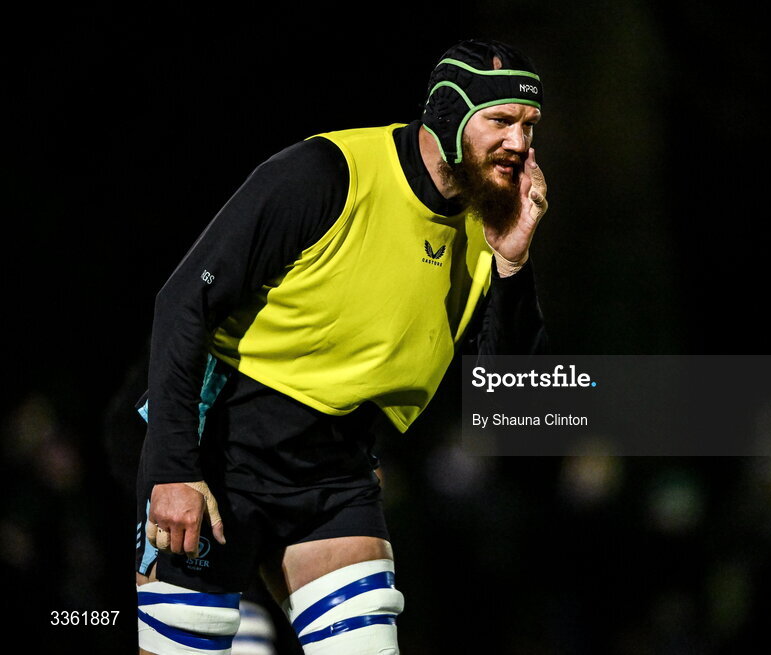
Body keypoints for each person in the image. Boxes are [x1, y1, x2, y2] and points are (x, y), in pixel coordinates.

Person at [134, 38, 549, 655]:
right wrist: (172, 470)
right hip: (222, 448)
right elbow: (182, 302)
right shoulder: (326, 172)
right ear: (447, 116)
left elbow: (509, 399)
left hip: (335, 470)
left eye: (529, 125)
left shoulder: (493, 219)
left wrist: (513, 263)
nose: (519, 142)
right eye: (500, 121)